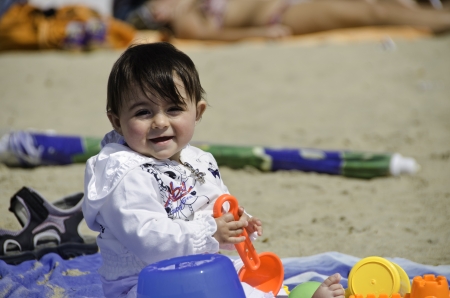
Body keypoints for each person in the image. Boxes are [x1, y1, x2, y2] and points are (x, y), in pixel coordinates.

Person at [82, 42, 345, 298]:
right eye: (143, 112)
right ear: (117, 121)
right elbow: (150, 240)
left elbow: (212, 205)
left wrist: (237, 223)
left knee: (248, 279)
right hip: (145, 282)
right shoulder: (123, 174)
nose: (160, 122)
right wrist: (211, 232)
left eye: (174, 109)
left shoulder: (196, 159)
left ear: (197, 111)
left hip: (198, 267)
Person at [114, 0, 450, 42]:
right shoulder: (186, 21)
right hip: (284, 12)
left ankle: (437, 11)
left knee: (385, 3)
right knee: (372, 12)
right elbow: (222, 36)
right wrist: (264, 32)